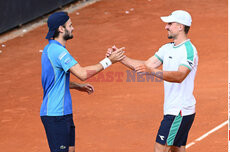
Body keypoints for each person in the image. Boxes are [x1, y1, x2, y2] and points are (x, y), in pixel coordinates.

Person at [108, 10, 198, 152]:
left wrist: (152, 72)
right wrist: (121, 58)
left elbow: (180, 76)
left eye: (169, 23)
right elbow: (146, 65)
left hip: (179, 111)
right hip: (173, 109)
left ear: (180, 26)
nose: (166, 27)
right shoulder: (167, 48)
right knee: (176, 149)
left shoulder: (189, 50)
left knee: (160, 149)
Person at [40, 12, 125, 152]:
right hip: (55, 115)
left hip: (63, 113)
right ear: (61, 29)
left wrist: (77, 86)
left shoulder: (51, 49)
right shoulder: (57, 51)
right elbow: (83, 73)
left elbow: (56, 81)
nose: (73, 28)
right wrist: (109, 61)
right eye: (70, 25)